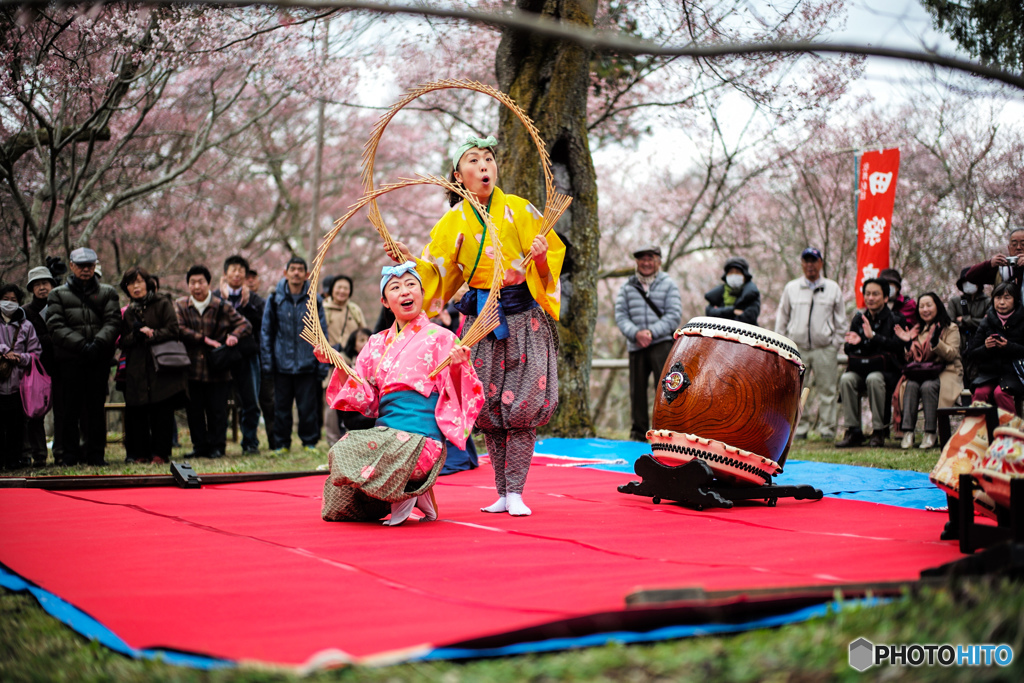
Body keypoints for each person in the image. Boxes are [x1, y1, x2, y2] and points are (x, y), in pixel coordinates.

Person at [388, 136, 564, 516]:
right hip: (480, 322)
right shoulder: (452, 222)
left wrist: (540, 261)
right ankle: (502, 492)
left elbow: (549, 265)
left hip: (523, 320)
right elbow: (434, 272)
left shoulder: (520, 209)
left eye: (488, 158)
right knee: (489, 409)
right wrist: (407, 259)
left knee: (522, 405)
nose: (485, 165)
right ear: (458, 175)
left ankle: (516, 491)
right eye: (474, 159)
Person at [318, 263, 483, 524]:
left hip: (422, 438)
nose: (405, 291)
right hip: (387, 434)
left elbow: (463, 392)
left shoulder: (442, 338)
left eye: (410, 285)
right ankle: (409, 494)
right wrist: (339, 366)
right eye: (395, 287)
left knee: (372, 451)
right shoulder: (375, 343)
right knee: (341, 465)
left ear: (422, 292)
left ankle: (409, 490)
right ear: (385, 301)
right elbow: (366, 398)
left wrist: (457, 367)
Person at [46, 247, 121, 466]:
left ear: (95, 266)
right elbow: (55, 326)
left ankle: (96, 454)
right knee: (70, 409)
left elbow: (113, 322)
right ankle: (69, 454)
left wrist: (97, 343)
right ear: (72, 266)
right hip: (70, 360)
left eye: (89, 266)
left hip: (98, 359)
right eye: (81, 266)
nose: (85, 270)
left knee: (96, 409)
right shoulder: (57, 294)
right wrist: (81, 345)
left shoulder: (108, 292)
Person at [175, 265, 252, 459]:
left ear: (209, 283)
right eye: (192, 282)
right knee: (194, 411)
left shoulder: (221, 305)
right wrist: (203, 339)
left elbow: (245, 324)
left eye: (200, 282)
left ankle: (218, 447)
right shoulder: (181, 305)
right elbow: (178, 328)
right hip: (191, 367)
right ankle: (199, 447)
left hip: (218, 368)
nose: (197, 286)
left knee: (218, 411)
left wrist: (234, 335)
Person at [775, 247, 846, 441]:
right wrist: (783, 345)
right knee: (794, 391)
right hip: (797, 349)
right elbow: (782, 319)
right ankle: (799, 429)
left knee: (828, 391)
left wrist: (834, 344)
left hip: (825, 349)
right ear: (801, 264)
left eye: (814, 261)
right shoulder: (792, 288)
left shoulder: (833, 288)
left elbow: (841, 322)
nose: (810, 265)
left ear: (821, 263)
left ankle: (828, 430)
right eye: (806, 261)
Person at [119, 267, 188, 463]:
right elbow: (123, 340)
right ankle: (140, 453)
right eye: (131, 283)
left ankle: (161, 453)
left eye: (139, 281)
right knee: (138, 410)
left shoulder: (162, 303)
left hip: (161, 365)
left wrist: (153, 334)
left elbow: (174, 329)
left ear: (148, 283)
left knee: (162, 410)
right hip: (137, 367)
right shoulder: (128, 312)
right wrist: (137, 336)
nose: (136, 286)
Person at [615, 244, 683, 443]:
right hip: (636, 345)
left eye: (650, 258)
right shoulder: (628, 287)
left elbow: (674, 315)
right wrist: (636, 334)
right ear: (637, 262)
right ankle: (638, 433)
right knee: (637, 391)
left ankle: (664, 433)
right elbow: (620, 315)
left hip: (661, 344)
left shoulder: (668, 284)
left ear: (658, 262)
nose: (646, 263)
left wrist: (651, 333)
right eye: (642, 259)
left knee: (665, 390)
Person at [260, 256, 328, 453]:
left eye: (300, 270)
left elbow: (321, 333)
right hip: (282, 364)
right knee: (281, 408)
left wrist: (322, 364)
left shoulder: (314, 299)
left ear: (307, 275)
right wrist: (268, 364)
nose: (296, 273)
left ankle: (309, 442)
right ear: (286, 273)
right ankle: (281, 444)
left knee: (308, 408)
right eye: (293, 269)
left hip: (308, 364)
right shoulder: (274, 299)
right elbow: (266, 333)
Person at [837, 278, 907, 448]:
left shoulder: (896, 319)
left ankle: (879, 431)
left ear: (885, 297)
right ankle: (853, 431)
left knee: (874, 379)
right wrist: (858, 342)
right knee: (846, 379)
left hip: (888, 373)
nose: (870, 297)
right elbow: (849, 348)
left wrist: (873, 337)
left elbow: (898, 347)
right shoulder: (859, 319)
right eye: (867, 294)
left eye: (875, 294)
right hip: (861, 370)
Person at [893, 293, 963, 450]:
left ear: (937, 306)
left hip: (946, 370)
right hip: (922, 372)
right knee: (910, 385)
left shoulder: (950, 327)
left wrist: (936, 342)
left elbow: (951, 354)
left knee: (928, 387)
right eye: (921, 306)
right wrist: (907, 342)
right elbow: (912, 358)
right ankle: (908, 432)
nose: (925, 309)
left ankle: (931, 432)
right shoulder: (917, 330)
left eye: (929, 305)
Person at [219, 255, 263, 455]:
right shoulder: (215, 297)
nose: (236, 274)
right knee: (219, 400)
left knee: (250, 401)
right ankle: (218, 444)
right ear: (225, 273)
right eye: (233, 269)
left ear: (246, 275)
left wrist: (246, 305)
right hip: (223, 355)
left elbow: (260, 325)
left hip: (248, 355)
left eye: (240, 270)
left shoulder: (255, 300)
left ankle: (250, 442)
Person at [964, 282, 1024, 414]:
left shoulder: (1022, 320)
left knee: (1000, 394)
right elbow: (972, 353)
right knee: (980, 394)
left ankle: (1011, 433)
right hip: (989, 374)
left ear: (1015, 300)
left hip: (1014, 374)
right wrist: (985, 347)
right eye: (998, 298)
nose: (1001, 302)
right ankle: (980, 432)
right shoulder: (987, 321)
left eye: (1007, 298)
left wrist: (1008, 346)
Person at [1, 284, 41, 470]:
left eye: (13, 300)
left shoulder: (26, 326)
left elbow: (35, 353)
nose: (9, 303)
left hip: (19, 386)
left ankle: (14, 460)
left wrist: (20, 358)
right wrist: (4, 352)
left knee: (16, 426)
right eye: (5, 299)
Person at [323, 274, 366, 445]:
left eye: (345, 288)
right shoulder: (323, 309)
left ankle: (355, 439)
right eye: (338, 287)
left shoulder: (354, 310)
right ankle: (333, 441)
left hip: (354, 362)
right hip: (331, 362)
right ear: (332, 289)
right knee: (332, 402)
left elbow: (364, 333)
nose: (342, 291)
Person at [22, 266, 57, 466]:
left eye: (45, 283)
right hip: (36, 370)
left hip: (60, 365)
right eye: (37, 284)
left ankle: (63, 452)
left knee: (62, 411)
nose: (42, 288)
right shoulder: (25, 312)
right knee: (34, 413)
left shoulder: (60, 306)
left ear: (52, 285)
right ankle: (39, 455)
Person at [947, 266, 990, 388]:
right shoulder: (955, 301)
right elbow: (950, 322)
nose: (969, 284)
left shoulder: (987, 301)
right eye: (966, 282)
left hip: (980, 345)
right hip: (960, 345)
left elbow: (988, 323)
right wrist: (977, 321)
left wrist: (965, 320)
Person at [704, 256, 761, 325]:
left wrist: (720, 312)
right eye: (730, 272)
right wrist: (732, 311)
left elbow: (750, 317)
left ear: (745, 275)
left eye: (737, 272)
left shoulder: (751, 294)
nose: (734, 275)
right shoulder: (716, 294)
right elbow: (709, 313)